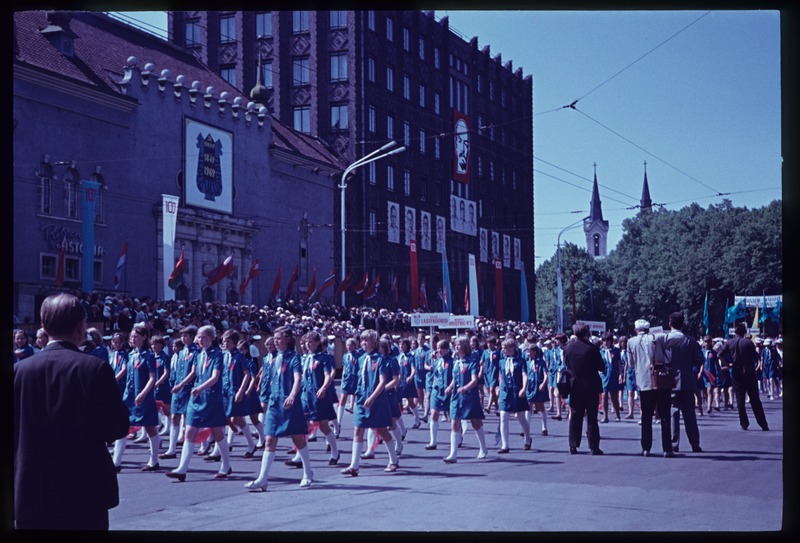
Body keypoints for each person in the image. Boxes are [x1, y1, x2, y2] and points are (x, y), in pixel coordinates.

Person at [14, 293, 130, 530]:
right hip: (83, 489)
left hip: (30, 490)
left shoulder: (19, 371)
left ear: (43, 327)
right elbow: (116, 427)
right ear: (81, 326)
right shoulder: (94, 368)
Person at [245, 326, 314, 491]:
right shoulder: (274, 358)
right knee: (269, 439)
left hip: (290, 403)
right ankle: (262, 478)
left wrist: (291, 395)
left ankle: (308, 473)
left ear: (288, 339)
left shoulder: (294, 358)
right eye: (274, 338)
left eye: (279, 338)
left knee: (297, 438)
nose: (275, 341)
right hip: (275, 404)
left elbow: (298, 378)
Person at [166, 325, 233, 481]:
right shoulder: (198, 354)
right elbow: (194, 372)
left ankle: (226, 465)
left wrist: (201, 388)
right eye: (198, 337)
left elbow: (215, 377)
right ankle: (182, 469)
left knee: (218, 433)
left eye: (203, 337)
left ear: (210, 338)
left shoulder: (217, 355)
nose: (199, 340)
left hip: (211, 398)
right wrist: (181, 385)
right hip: (196, 398)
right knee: (189, 431)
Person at [341, 329, 400, 476]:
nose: (363, 343)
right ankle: (354, 465)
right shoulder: (361, 359)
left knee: (381, 430)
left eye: (366, 340)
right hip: (362, 399)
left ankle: (393, 460)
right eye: (362, 340)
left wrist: (372, 397)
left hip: (377, 400)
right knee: (358, 429)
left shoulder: (380, 359)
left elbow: (382, 382)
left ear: (374, 342)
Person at [112, 323, 160, 472]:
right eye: (131, 336)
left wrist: (144, 393)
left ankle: (154, 460)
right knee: (123, 426)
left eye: (136, 336)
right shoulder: (131, 355)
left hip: (143, 395)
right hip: (129, 396)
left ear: (144, 337)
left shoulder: (149, 356)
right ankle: (116, 462)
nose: (132, 339)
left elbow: (152, 377)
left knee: (150, 427)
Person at [627, 319, 673, 457]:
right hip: (660, 381)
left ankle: (646, 448)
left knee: (646, 416)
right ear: (648, 329)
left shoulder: (631, 342)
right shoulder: (657, 338)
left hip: (643, 382)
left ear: (636, 330)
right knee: (664, 415)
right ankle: (667, 449)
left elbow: (631, 364)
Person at [660, 312, 703, 453]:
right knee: (690, 414)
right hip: (688, 381)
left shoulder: (665, 340)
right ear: (683, 324)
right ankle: (695, 443)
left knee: (673, 413)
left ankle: (674, 443)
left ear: (670, 324)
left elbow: (662, 360)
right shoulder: (690, 340)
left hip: (670, 381)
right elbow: (699, 359)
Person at [719, 322, 769, 431]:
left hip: (736, 372)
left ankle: (744, 423)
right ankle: (763, 423)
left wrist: (727, 365)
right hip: (749, 372)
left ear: (735, 332)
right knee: (755, 399)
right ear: (744, 332)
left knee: (740, 400)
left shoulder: (729, 342)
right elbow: (755, 357)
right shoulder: (748, 343)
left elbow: (719, 354)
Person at [444, 336, 487, 462]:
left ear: (464, 346)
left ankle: (483, 448)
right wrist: (450, 386)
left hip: (469, 397)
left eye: (458, 345)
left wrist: (465, 388)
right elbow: (454, 378)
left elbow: (474, 380)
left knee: (476, 423)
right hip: (456, 397)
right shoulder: (456, 361)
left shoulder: (472, 361)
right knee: (454, 423)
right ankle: (453, 454)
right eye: (455, 345)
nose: (456, 347)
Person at [563, 322, 605, 455]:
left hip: (575, 385)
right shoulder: (592, 349)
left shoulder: (568, 348)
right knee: (592, 417)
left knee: (575, 415)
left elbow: (567, 364)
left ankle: (573, 445)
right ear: (587, 333)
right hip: (591, 385)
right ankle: (594, 446)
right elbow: (601, 366)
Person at [161, 325, 198, 460]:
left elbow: (194, 372)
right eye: (182, 335)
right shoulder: (181, 352)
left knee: (191, 420)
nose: (183, 338)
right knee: (174, 417)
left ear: (193, 337)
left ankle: (205, 444)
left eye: (186, 336)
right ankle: (171, 449)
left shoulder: (196, 352)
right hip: (178, 389)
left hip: (188, 389)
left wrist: (182, 384)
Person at [497, 337, 531, 452]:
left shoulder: (521, 361)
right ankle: (505, 445)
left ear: (512, 348)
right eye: (502, 348)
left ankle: (527, 438)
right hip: (505, 392)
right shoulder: (502, 361)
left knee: (521, 417)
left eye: (505, 348)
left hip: (517, 391)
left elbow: (525, 375)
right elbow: (501, 375)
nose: (503, 350)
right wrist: (499, 388)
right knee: (503, 417)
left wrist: (523, 389)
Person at [425, 338, 453, 451]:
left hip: (448, 391)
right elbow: (435, 375)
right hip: (437, 391)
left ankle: (458, 436)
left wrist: (450, 386)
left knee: (453, 417)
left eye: (441, 348)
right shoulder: (436, 361)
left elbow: (455, 377)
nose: (439, 350)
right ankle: (433, 441)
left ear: (447, 349)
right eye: (437, 348)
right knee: (434, 414)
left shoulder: (452, 362)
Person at [525, 344, 550, 437]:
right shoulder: (527, 362)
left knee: (541, 407)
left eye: (529, 351)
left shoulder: (541, 362)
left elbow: (546, 374)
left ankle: (544, 427)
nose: (527, 353)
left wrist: (543, 383)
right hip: (530, 387)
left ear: (534, 352)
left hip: (539, 386)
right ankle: (526, 428)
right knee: (528, 407)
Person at [337, 337, 360, 433]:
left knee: (359, 401)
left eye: (351, 345)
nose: (349, 347)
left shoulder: (358, 355)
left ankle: (360, 421)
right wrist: (342, 379)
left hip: (355, 380)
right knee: (342, 400)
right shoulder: (345, 356)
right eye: (347, 345)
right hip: (347, 379)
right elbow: (344, 368)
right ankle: (338, 422)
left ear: (355, 345)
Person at [599, 332, 623, 423]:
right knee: (604, 395)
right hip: (604, 375)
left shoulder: (616, 351)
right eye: (604, 340)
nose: (605, 342)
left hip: (613, 374)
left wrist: (620, 374)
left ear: (611, 341)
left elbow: (619, 364)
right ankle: (605, 416)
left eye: (607, 341)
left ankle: (617, 414)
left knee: (614, 396)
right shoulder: (601, 351)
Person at [482, 336, 500, 415]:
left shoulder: (498, 352)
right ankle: (497, 407)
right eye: (488, 343)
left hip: (494, 372)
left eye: (491, 343)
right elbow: (481, 362)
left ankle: (488, 407)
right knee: (490, 391)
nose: (489, 345)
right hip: (487, 373)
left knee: (492, 389)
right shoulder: (485, 352)